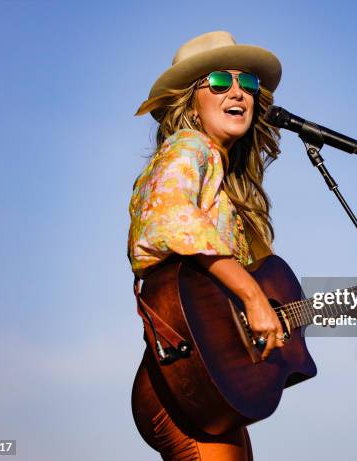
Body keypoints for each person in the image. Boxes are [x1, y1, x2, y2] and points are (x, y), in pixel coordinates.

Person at [127, 31, 285, 460]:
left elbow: (265, 304)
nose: (238, 92)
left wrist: (354, 301)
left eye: (248, 84)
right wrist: (253, 296)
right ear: (189, 100)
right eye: (219, 81)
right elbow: (170, 217)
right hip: (184, 383)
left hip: (209, 387)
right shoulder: (189, 146)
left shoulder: (225, 182)